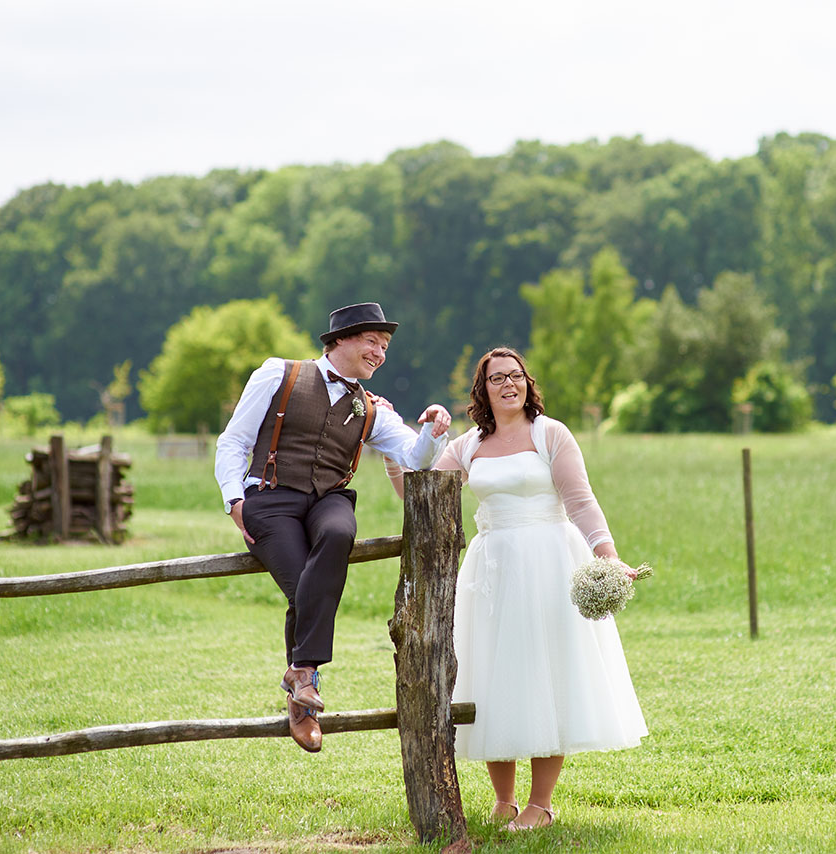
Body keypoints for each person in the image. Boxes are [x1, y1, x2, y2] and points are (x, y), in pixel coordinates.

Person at [214, 302, 452, 753]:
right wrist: (234, 500)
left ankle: (301, 676)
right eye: (372, 342)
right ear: (340, 339)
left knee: (340, 533)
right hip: (270, 497)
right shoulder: (277, 374)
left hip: (329, 499)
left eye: (384, 348)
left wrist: (435, 428)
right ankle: (304, 690)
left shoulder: (372, 410)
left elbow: (415, 459)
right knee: (305, 582)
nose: (380, 354)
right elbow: (235, 441)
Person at [433, 347, 647, 831]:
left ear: (528, 383)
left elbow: (580, 500)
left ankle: (541, 804)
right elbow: (424, 492)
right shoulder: (467, 446)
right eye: (496, 379)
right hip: (491, 570)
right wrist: (400, 452)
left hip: (549, 563)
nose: (508, 384)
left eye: (516, 376)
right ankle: (504, 800)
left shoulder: (550, 434)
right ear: (482, 391)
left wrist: (607, 554)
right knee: (492, 676)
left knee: (547, 674)